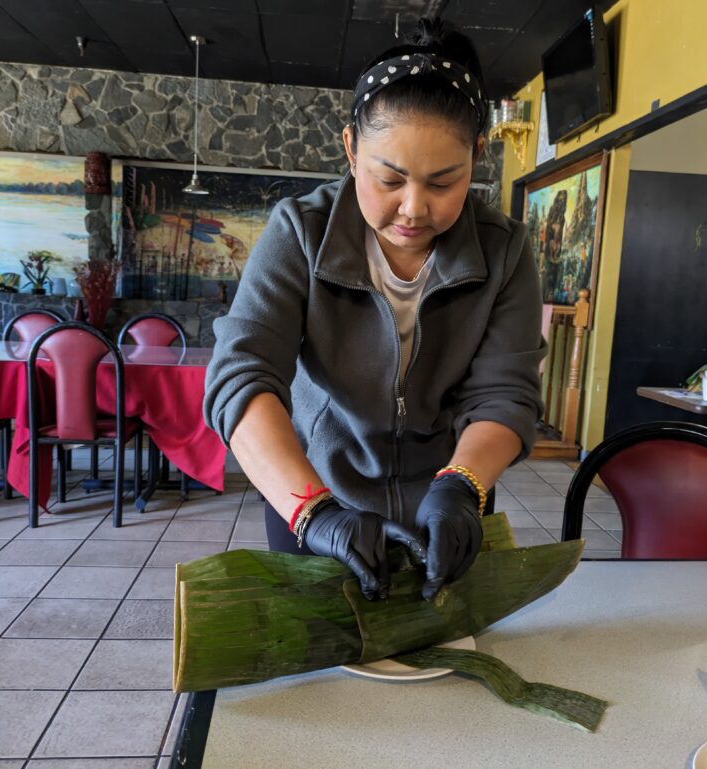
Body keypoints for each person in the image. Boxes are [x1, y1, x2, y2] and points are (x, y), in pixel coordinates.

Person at [204, 17, 545, 603]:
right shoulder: (300, 234)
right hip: (314, 500)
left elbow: (504, 395)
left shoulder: (505, 250)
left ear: (478, 157)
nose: (413, 208)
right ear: (350, 148)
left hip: (444, 503)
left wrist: (463, 487)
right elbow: (241, 377)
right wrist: (314, 512)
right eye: (389, 178)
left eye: (445, 181)